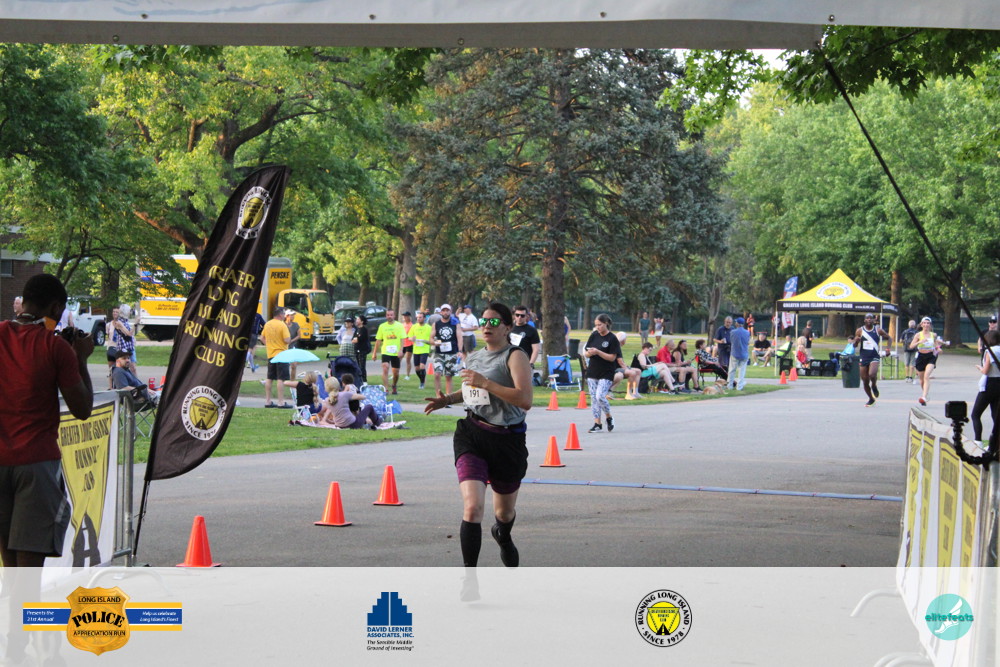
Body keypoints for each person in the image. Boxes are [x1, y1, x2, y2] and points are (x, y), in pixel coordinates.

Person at [0, 274, 94, 665]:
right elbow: (83, 408)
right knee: (28, 572)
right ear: (56, 308)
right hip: (36, 463)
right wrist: (81, 358)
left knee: (10, 568)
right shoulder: (55, 348)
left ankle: (14, 644)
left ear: (23, 302)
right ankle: (16, 648)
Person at [423, 302, 532, 570]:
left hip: (507, 440)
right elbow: (471, 391)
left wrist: (486, 383)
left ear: (507, 327)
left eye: (494, 322)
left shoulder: (515, 356)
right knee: (472, 508)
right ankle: (469, 578)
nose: (486, 326)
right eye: (484, 321)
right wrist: (447, 399)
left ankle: (503, 535)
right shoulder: (473, 357)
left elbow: (525, 400)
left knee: (503, 513)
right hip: (472, 434)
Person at [583, 313, 622, 433]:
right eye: (596, 325)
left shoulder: (612, 338)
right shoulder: (594, 335)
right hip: (593, 370)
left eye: (600, 325)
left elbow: (612, 357)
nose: (597, 327)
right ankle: (597, 423)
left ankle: (609, 417)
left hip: (606, 372)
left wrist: (598, 352)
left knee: (600, 396)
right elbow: (586, 353)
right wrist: (589, 353)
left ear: (606, 324)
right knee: (594, 398)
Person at [971, 329, 1000, 449]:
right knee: (996, 415)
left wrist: (980, 368)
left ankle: (978, 440)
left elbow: (986, 371)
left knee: (976, 414)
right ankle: (994, 444)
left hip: (989, 383)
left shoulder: (990, 351)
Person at [855, 314, 890, 407]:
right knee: (865, 380)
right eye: (867, 318)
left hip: (874, 356)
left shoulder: (878, 330)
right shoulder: (860, 330)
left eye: (871, 318)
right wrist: (856, 341)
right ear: (864, 320)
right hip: (864, 356)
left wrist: (888, 349)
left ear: (874, 320)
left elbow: (889, 338)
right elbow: (854, 345)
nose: (869, 320)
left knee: (872, 374)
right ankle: (871, 398)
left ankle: (874, 385)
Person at [261, 305, 292, 408]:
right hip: (282, 354)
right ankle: (281, 402)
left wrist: (269, 345)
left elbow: (262, 338)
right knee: (281, 378)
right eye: (284, 314)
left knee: (269, 378)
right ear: (280, 315)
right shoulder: (282, 325)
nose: (285, 316)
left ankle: (268, 401)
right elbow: (287, 340)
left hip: (271, 354)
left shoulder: (267, 324)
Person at [372, 308, 406, 395]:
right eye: (388, 315)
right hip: (385, 351)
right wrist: (374, 353)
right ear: (386, 316)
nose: (389, 316)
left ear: (394, 316)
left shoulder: (399, 325)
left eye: (391, 315)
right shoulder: (382, 326)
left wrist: (401, 350)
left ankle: (394, 385)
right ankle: (386, 389)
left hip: (396, 352)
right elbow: (378, 340)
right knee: (385, 367)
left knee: (396, 372)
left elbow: (403, 339)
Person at [909, 316, 942, 406]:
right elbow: (911, 346)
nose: (926, 325)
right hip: (921, 357)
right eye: (924, 323)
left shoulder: (933, 335)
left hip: (931, 356)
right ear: (921, 324)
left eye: (928, 323)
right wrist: (919, 342)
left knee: (927, 376)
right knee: (922, 380)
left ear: (930, 325)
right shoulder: (918, 335)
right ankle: (925, 394)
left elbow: (936, 345)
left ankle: (923, 397)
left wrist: (938, 348)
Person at [432, 304, 463, 397]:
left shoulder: (455, 323)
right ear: (440, 312)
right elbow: (431, 338)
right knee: (437, 374)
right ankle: (438, 396)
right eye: (444, 310)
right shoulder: (436, 324)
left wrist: (460, 351)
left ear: (450, 312)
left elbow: (459, 337)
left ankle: (448, 398)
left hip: (451, 352)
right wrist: (435, 342)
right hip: (439, 353)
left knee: (448, 376)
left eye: (447, 310)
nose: (445, 312)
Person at [510, 305, 541, 372]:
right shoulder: (509, 328)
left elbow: (536, 349)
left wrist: (530, 364)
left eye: (522, 315)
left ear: (527, 316)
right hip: (510, 363)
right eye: (517, 315)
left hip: (525, 364)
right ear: (514, 315)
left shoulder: (532, 330)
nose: (519, 317)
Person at [408, 311, 434, 389]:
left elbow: (432, 340)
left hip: (424, 349)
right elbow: (409, 337)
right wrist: (412, 339)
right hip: (416, 350)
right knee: (417, 368)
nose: (418, 319)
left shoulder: (429, 328)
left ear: (424, 318)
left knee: (422, 366)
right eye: (417, 317)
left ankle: (422, 383)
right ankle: (422, 379)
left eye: (420, 317)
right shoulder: (414, 327)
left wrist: (426, 342)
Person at [111, 304, 137, 376]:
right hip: (123, 348)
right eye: (129, 310)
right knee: (123, 367)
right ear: (125, 312)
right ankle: (118, 380)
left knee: (133, 368)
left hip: (130, 347)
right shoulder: (119, 322)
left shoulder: (126, 321)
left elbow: (131, 334)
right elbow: (129, 334)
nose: (130, 312)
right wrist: (135, 324)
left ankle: (136, 382)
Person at [727, 317, 751, 391]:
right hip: (744, 353)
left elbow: (731, 341)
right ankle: (739, 387)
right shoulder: (747, 332)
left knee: (732, 370)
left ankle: (730, 385)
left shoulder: (733, 332)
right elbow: (748, 342)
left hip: (735, 353)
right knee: (742, 371)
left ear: (737, 323)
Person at [899, 319, 918, 384]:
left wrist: (905, 342)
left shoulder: (905, 331)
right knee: (912, 363)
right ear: (914, 325)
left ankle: (906, 377)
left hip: (906, 349)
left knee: (906, 363)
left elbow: (900, 340)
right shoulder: (916, 332)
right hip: (914, 349)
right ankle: (910, 377)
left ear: (908, 325)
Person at [284, 309, 302, 378]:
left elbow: (299, 335)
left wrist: (291, 341)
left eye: (293, 315)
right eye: (291, 315)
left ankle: (292, 380)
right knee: (284, 366)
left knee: (294, 366)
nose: (293, 317)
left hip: (293, 346)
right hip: (284, 347)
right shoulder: (282, 325)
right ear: (287, 316)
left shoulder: (296, 325)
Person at [353, 315, 371, 383]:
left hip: (362, 350)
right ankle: (358, 380)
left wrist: (357, 339)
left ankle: (364, 380)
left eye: (358, 319)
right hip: (356, 349)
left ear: (362, 321)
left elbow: (360, 339)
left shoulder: (364, 329)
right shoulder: (357, 329)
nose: (356, 321)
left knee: (362, 366)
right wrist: (356, 339)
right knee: (357, 365)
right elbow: (353, 339)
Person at [400, 311, 414, 379]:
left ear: (409, 317)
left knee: (408, 360)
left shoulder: (412, 325)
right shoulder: (402, 325)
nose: (404, 317)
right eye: (404, 316)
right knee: (398, 359)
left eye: (405, 316)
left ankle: (407, 375)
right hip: (403, 344)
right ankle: (395, 373)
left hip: (409, 344)